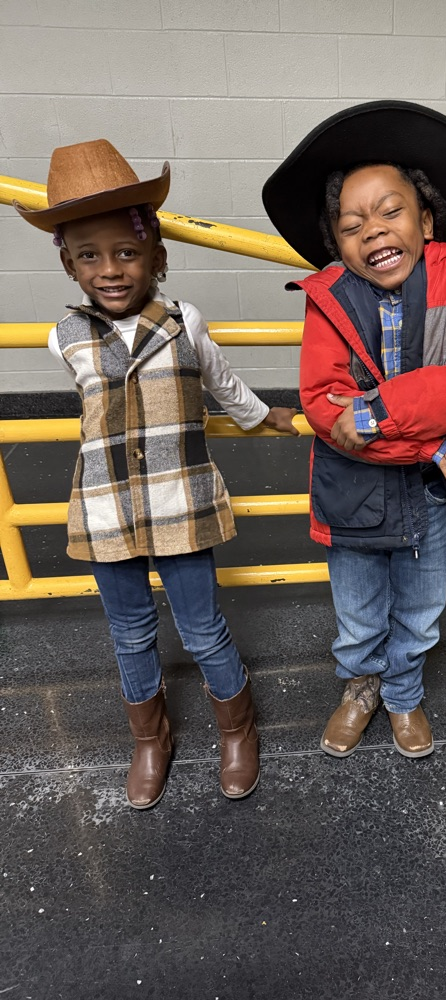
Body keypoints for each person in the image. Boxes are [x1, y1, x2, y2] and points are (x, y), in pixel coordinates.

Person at [14, 139, 299, 808]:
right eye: (89, 255)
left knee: (203, 628)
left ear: (155, 257)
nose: (110, 269)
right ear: (69, 264)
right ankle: (151, 740)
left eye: (127, 252)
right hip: (107, 507)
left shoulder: (184, 322)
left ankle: (238, 729)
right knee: (130, 631)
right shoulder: (64, 337)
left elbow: (224, 386)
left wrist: (266, 417)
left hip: (180, 503)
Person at [262, 101, 446, 758]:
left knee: (421, 606)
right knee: (358, 609)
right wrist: (431, 437)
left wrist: (377, 411)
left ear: (426, 220)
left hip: (427, 495)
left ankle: (403, 693)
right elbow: (326, 408)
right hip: (357, 489)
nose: (373, 229)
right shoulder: (328, 298)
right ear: (336, 243)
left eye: (391, 211)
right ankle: (361, 688)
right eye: (352, 224)